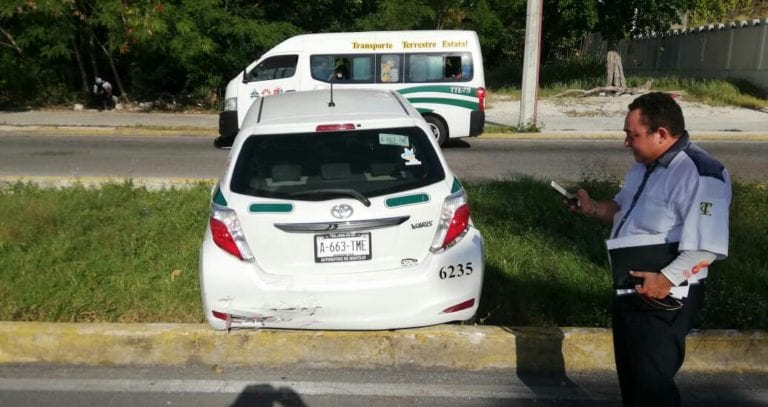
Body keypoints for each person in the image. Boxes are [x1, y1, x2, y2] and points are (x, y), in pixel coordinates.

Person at [569, 92, 731, 406]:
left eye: (633, 135)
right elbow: (621, 210)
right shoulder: (645, 166)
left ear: (661, 134)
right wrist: (591, 208)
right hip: (631, 290)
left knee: (652, 387)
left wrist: (664, 281)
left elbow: (707, 248)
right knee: (633, 382)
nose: (626, 143)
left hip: (665, 296)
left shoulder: (701, 173)